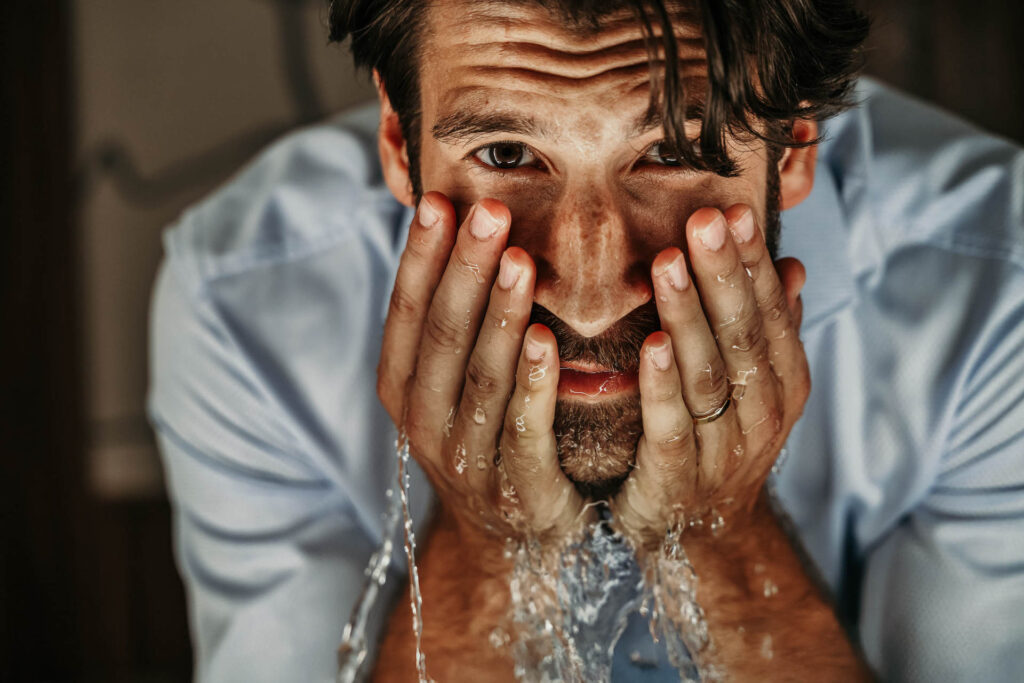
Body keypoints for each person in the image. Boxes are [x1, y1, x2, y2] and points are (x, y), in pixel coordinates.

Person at [149, 0, 1024, 681]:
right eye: (505, 155)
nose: (593, 293)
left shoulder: (996, 294)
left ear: (794, 144)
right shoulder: (245, 307)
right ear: (396, 138)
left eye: (671, 152)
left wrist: (722, 537)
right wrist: (487, 547)